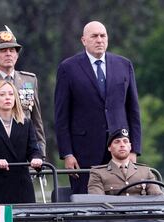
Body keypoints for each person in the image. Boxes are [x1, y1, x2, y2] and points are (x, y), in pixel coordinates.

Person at [54, 21, 142, 194]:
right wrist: (67, 153)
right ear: (83, 40)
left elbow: (133, 111)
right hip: (83, 152)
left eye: (103, 35)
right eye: (94, 36)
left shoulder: (124, 65)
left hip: (119, 149)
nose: (99, 40)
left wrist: (135, 150)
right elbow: (61, 115)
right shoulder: (68, 68)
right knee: (86, 202)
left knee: (123, 199)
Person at [0, 26, 46, 157]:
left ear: (17, 55)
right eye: (3, 51)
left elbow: (36, 121)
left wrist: (40, 154)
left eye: (12, 50)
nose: (8, 54)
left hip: (25, 152)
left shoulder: (29, 80)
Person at [0, 80, 43, 204]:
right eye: (2, 95)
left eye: (11, 94)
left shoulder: (26, 123)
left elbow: (33, 149)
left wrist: (36, 158)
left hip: (22, 185)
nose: (7, 98)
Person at [87, 129, 163, 196]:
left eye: (125, 141)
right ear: (109, 148)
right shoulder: (98, 173)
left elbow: (158, 198)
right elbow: (98, 203)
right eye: (117, 142)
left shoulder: (145, 171)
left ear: (130, 147)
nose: (122, 145)